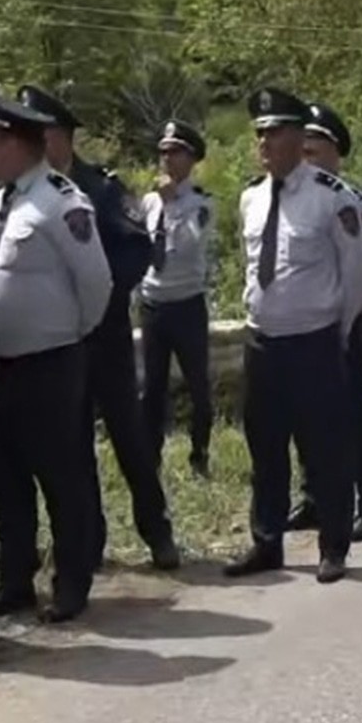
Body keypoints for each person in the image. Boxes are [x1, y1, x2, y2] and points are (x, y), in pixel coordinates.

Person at [17, 85, 178, 570]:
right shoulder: (26, 193)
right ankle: (90, 541)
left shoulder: (100, 189)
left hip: (104, 336)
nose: (37, 144)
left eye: (44, 135)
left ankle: (157, 532)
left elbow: (137, 249)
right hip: (58, 342)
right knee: (73, 445)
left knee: (129, 438)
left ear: (64, 138)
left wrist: (97, 290)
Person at [0, 92, 112, 624]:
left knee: (61, 477)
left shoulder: (61, 201)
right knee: (4, 479)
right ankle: (14, 582)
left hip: (48, 363)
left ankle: (71, 582)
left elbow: (96, 282)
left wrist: (70, 333)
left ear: (17, 144)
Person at [224, 86, 362, 584]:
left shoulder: (331, 197)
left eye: (273, 133)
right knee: (265, 449)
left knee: (325, 449)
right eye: (259, 134)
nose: (263, 143)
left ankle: (333, 545)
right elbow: (249, 265)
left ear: (295, 136)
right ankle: (267, 542)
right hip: (262, 341)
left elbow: (356, 275)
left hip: (314, 341)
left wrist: (337, 330)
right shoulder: (250, 197)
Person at [289, 102, 362, 540]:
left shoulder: (355, 204)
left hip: (344, 325)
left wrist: (353, 307)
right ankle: (316, 498)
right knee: (305, 416)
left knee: (353, 414)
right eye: (303, 149)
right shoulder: (290, 200)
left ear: (336, 153)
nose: (307, 158)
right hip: (301, 326)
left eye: (315, 150)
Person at [137, 119, 218, 478]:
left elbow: (186, 244)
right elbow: (142, 248)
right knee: (152, 389)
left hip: (187, 304)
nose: (167, 159)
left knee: (198, 387)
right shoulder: (149, 201)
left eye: (175, 152)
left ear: (191, 158)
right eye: (163, 152)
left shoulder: (200, 203)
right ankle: (150, 459)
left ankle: (199, 455)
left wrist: (171, 205)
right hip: (153, 304)